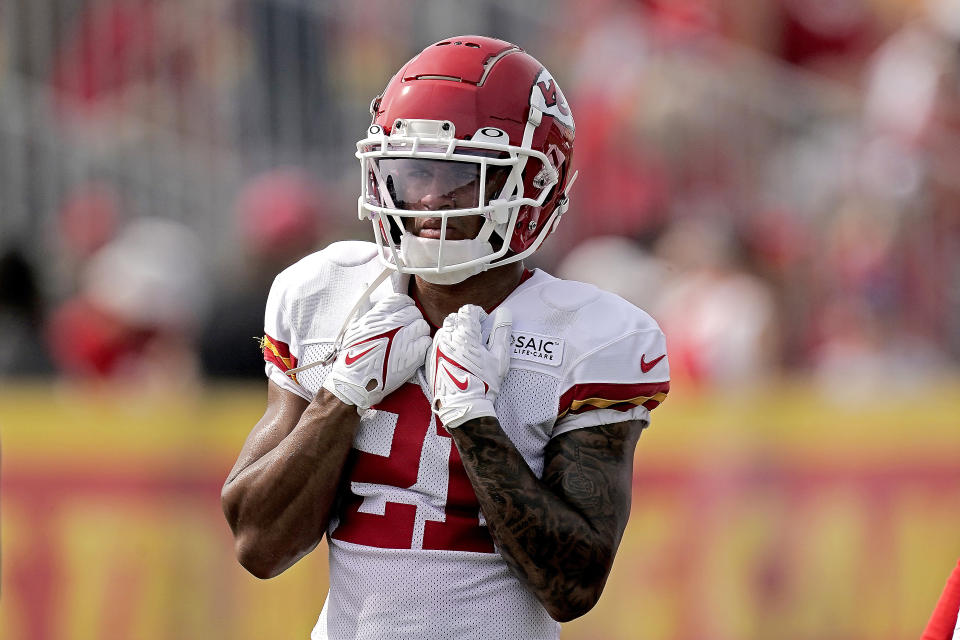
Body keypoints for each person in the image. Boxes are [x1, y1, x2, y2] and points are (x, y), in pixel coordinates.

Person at [221, 35, 670, 640]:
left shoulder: (590, 336)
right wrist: (341, 398)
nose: (429, 198)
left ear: (534, 183)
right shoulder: (328, 295)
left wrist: (475, 421)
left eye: (460, 175)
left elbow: (573, 585)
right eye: (412, 172)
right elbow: (258, 544)